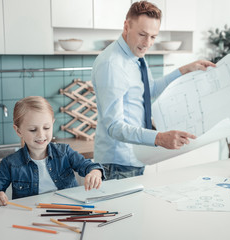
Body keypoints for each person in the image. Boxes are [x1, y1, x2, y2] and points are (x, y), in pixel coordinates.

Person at [92, 1, 216, 180]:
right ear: (126, 26)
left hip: (135, 157)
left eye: (153, 37)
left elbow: (149, 91)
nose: (147, 43)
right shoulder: (112, 64)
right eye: (142, 35)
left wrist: (185, 69)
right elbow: (114, 127)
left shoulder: (136, 57)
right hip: (117, 164)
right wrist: (159, 138)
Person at [0, 96, 105, 206]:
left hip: (69, 210)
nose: (41, 135)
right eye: (33, 129)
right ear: (18, 131)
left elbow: (90, 166)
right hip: (30, 217)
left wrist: (95, 173)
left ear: (52, 124)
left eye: (46, 128)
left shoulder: (65, 152)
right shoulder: (10, 163)